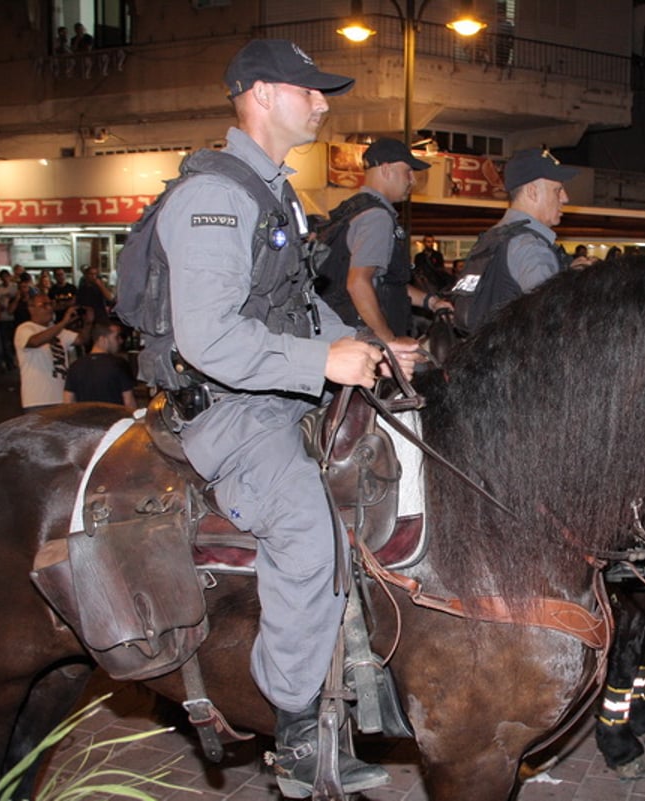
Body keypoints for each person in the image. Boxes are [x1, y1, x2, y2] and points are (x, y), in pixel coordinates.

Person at [148, 39, 418, 797]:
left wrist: (370, 346)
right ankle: (297, 725)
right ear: (263, 93)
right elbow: (208, 337)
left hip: (276, 392)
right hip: (231, 412)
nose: (324, 102)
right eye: (311, 89)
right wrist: (321, 364)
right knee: (306, 530)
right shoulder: (216, 197)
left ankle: (362, 669)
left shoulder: (274, 192)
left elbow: (296, 304)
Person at [320, 138, 450, 344]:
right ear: (387, 169)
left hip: (342, 336)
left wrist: (431, 302)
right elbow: (358, 283)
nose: (412, 180)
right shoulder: (377, 218)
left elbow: (384, 282)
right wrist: (389, 342)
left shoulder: (352, 209)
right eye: (407, 171)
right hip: (364, 341)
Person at [451, 148, 593, 331]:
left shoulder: (494, 237)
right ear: (533, 192)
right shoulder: (531, 247)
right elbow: (551, 322)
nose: (565, 198)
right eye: (557, 190)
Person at [14, 294, 83, 411]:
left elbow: (81, 339)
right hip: (38, 400)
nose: (49, 308)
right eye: (44, 305)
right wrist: (63, 323)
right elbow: (34, 342)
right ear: (31, 308)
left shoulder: (57, 330)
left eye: (51, 304)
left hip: (61, 398)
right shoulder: (25, 328)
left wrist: (88, 322)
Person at [63, 320, 136, 408]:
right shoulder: (119, 364)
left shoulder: (75, 366)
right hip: (114, 419)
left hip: (84, 420)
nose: (120, 341)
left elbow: (68, 401)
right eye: (116, 337)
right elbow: (129, 401)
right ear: (102, 339)